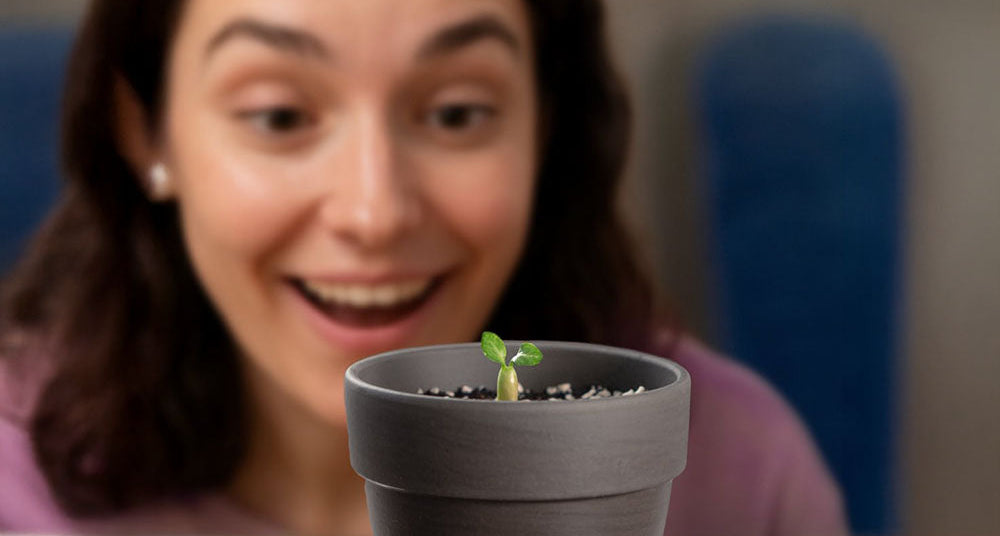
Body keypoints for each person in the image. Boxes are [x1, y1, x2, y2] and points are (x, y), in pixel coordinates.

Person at [0, 0, 848, 534]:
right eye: (280, 114)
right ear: (146, 132)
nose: (375, 212)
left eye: (454, 113)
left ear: (541, 129)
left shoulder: (734, 470)